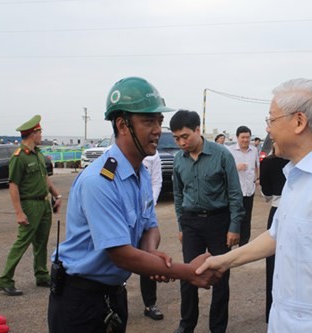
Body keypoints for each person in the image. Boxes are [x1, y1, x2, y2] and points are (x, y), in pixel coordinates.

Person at [197, 78, 312, 332]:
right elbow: (276, 236)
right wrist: (223, 261)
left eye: (271, 119)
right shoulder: (295, 176)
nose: (268, 129)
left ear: (299, 121)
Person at [47, 77, 221, 333]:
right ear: (122, 125)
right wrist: (189, 272)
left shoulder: (138, 173)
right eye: (148, 121)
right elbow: (120, 254)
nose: (157, 130)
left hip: (113, 296)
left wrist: (150, 252)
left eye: (159, 122)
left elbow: (151, 226)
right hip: (80, 301)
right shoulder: (100, 180)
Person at [170, 110, 245, 333]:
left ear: (197, 130)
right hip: (191, 222)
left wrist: (234, 226)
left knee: (220, 276)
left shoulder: (221, 155)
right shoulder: (178, 159)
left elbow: (234, 192)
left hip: (218, 222)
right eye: (176, 138)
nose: (181, 142)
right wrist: (181, 225)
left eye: (185, 136)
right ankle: (187, 324)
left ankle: (218, 327)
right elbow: (178, 195)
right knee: (188, 274)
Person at [0, 115, 62, 296]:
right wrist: (19, 212)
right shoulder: (19, 157)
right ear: (33, 133)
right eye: (40, 132)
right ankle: (5, 279)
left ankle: (41, 275)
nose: (41, 135)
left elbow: (45, 178)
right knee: (22, 242)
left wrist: (57, 195)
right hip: (29, 205)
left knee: (41, 242)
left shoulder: (37, 154)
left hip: (43, 203)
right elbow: (13, 185)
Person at [259, 144, 288, 323]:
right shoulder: (297, 159)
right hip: (297, 208)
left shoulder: (267, 163)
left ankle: (272, 310)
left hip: (276, 210)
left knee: (273, 263)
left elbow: (266, 193)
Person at [139, 114, 165, 321]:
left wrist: (150, 203)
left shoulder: (153, 157)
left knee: (149, 257)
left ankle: (150, 304)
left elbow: (156, 182)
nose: (156, 131)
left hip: (146, 212)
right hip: (126, 217)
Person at [228, 125, 259, 246]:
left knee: (247, 218)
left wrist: (257, 179)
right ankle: (231, 240)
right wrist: (236, 167)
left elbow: (257, 166)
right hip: (236, 191)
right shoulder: (230, 151)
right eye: (243, 137)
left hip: (249, 190)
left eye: (248, 137)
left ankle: (244, 243)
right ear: (237, 137)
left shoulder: (254, 150)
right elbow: (224, 169)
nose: (245, 140)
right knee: (234, 217)